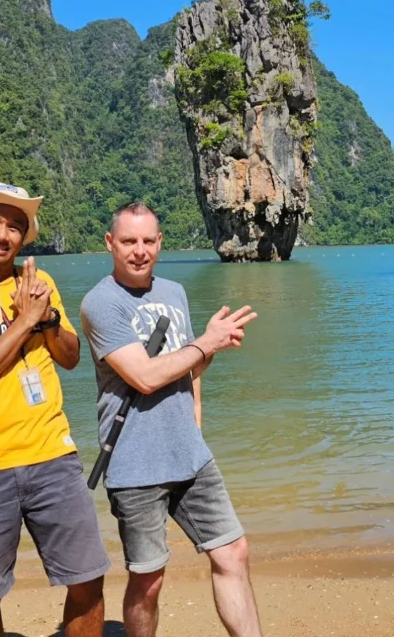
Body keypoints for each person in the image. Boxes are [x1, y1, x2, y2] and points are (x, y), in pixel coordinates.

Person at [80, 201, 262, 637]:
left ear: (160, 242)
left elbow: (188, 367)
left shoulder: (174, 292)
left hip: (191, 455)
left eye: (147, 241)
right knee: (149, 578)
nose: (139, 251)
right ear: (110, 243)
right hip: (135, 463)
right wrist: (206, 344)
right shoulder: (101, 303)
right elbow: (143, 376)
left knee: (233, 552)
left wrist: (210, 353)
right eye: (128, 241)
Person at [0, 182, 110, 637]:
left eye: (15, 226)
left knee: (87, 576)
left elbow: (71, 356)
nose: (3, 234)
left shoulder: (41, 284)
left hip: (52, 457)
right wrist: (24, 322)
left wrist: (49, 318)